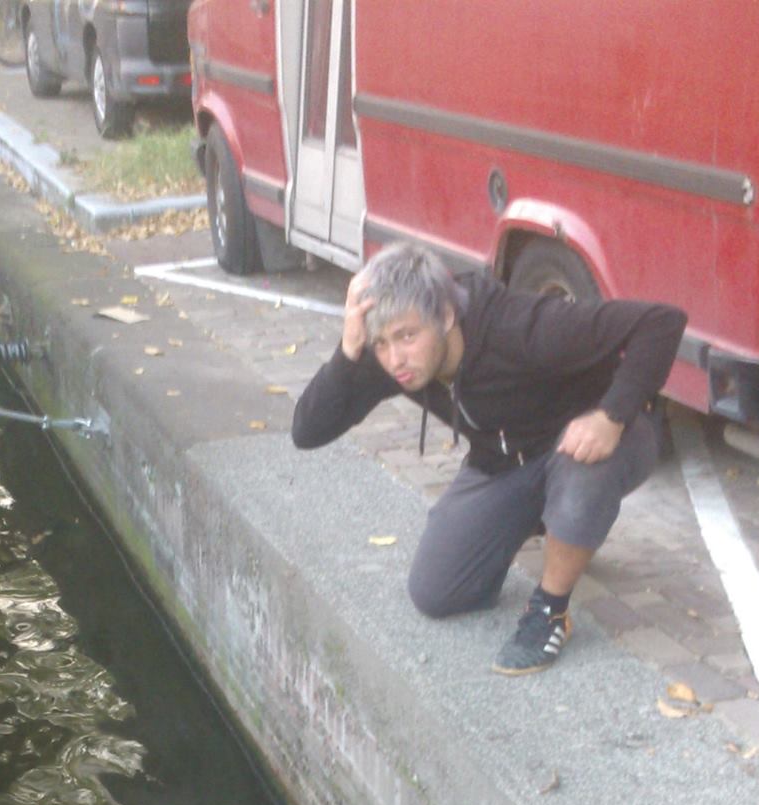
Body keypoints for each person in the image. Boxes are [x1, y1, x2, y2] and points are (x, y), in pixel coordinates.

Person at [291, 243, 685, 675]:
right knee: (436, 592)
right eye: (381, 343)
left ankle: (549, 611)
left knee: (579, 481)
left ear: (445, 316)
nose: (395, 358)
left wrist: (610, 417)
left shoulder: (519, 326)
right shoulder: (398, 363)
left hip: (596, 440)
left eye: (407, 336)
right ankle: (544, 516)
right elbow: (308, 431)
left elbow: (661, 323)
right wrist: (349, 351)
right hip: (503, 461)